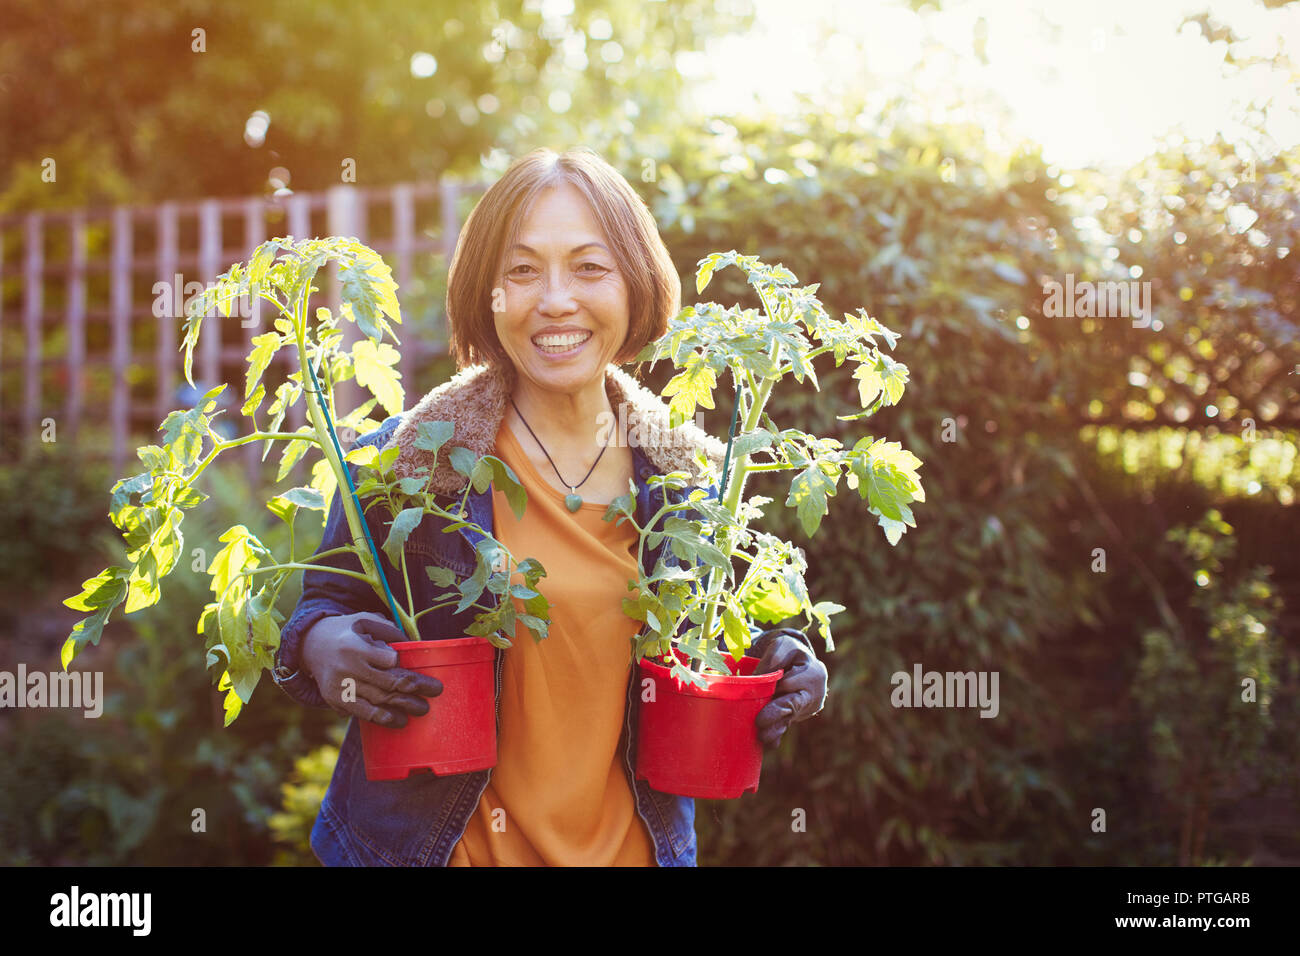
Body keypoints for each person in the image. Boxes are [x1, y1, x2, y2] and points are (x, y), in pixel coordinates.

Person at [272, 147, 828, 866]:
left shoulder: (691, 483)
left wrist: (782, 663)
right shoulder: (406, 461)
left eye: (589, 268)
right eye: (522, 270)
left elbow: (722, 643)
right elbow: (319, 609)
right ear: (487, 293)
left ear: (634, 285)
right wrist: (324, 649)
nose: (555, 300)